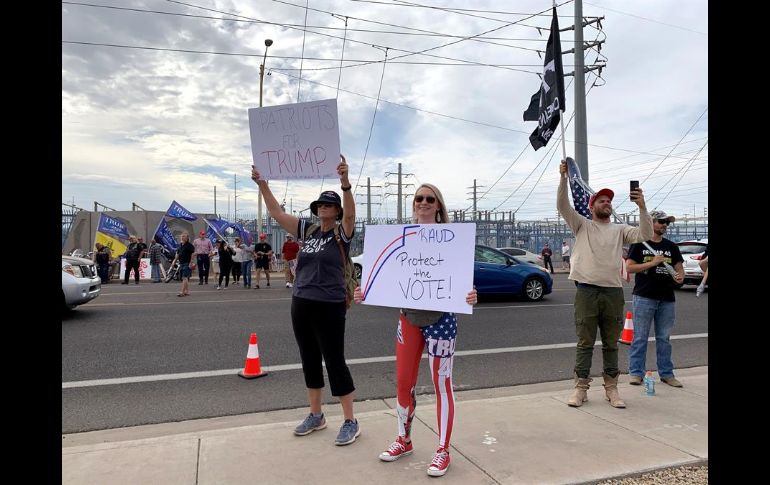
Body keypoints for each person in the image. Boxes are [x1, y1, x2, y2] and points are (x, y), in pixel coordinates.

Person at [353, 183, 478, 477]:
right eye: (418, 198)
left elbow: (463, 282)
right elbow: (383, 275)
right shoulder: (400, 236)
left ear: (438, 205)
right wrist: (365, 292)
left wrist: (471, 294)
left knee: (441, 385)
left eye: (429, 198)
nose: (423, 202)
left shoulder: (453, 239)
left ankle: (443, 449)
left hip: (441, 320)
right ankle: (403, 439)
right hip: (408, 319)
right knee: (402, 382)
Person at [251, 154, 362, 446]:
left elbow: (351, 215)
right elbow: (276, 213)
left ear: (336, 211)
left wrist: (345, 183)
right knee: (309, 359)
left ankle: (350, 420)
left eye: (329, 205)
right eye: (321, 204)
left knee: (334, 360)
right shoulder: (307, 230)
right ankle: (317, 415)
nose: (324, 208)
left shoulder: (342, 233)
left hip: (330, 304)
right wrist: (263, 185)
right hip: (301, 302)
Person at [557, 159, 653, 409]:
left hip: (613, 292)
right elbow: (562, 205)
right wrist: (562, 180)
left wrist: (642, 206)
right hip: (586, 291)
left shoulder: (620, 229)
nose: (607, 203)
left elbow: (644, 235)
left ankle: (612, 388)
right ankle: (580, 388)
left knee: (611, 343)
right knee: (585, 342)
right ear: (592, 206)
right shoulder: (582, 225)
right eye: (602, 200)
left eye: (609, 201)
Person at [625, 210, 685, 388]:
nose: (665, 225)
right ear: (651, 222)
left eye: (667, 222)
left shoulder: (671, 246)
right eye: (661, 221)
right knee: (640, 337)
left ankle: (666, 373)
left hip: (667, 297)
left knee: (664, 338)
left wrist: (680, 276)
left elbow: (679, 268)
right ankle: (636, 373)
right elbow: (629, 268)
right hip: (644, 296)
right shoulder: (640, 244)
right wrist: (652, 263)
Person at [169, 231, 194, 297]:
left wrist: (191, 263)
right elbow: (178, 254)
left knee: (184, 277)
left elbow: (192, 254)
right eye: (182, 236)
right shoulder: (180, 245)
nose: (182, 237)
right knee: (184, 278)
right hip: (181, 263)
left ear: (187, 238)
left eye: (184, 236)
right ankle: (187, 291)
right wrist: (174, 261)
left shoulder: (189, 245)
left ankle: (182, 292)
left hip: (187, 263)